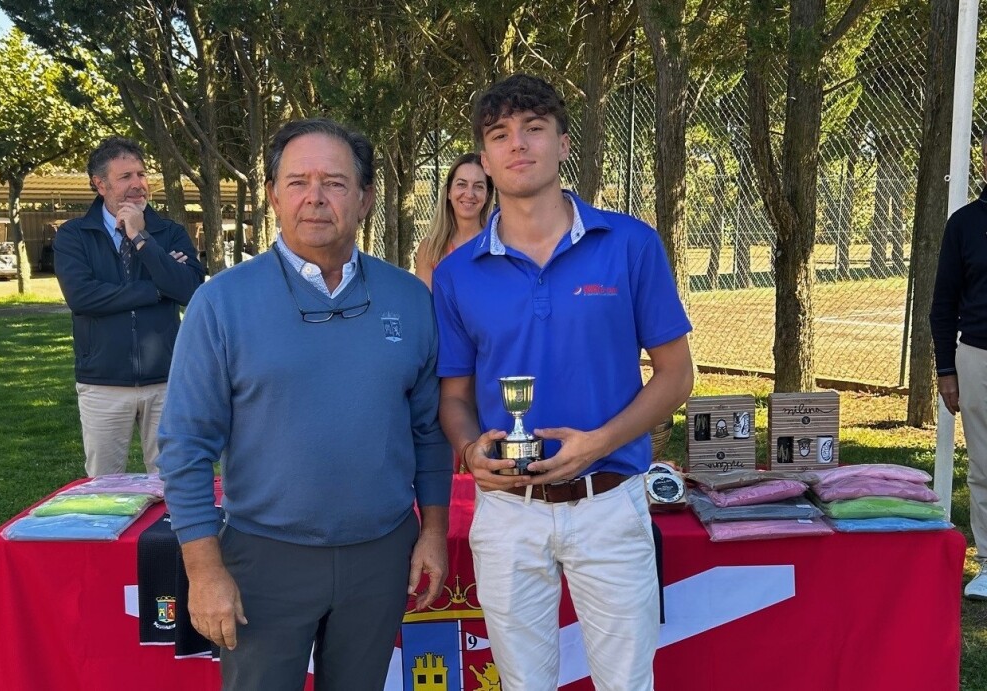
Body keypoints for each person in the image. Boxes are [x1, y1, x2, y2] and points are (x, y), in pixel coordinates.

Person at [156, 118, 452, 690]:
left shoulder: (410, 300)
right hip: (265, 559)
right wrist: (203, 567)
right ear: (273, 195)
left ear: (365, 198)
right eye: (298, 181)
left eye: (335, 183)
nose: (315, 197)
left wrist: (433, 532)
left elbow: (429, 433)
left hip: (380, 555)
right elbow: (186, 445)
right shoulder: (220, 303)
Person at [433, 74, 694, 690]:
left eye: (533, 129)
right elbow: (454, 398)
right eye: (499, 135)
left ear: (564, 144)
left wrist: (598, 442)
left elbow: (677, 375)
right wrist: (471, 451)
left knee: (626, 683)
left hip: (609, 502)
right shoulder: (455, 275)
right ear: (486, 159)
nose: (517, 144)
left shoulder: (629, 244)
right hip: (507, 510)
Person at [54, 136, 204, 477]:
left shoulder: (168, 232)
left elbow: (191, 290)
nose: (138, 184)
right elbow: (83, 297)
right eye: (126, 177)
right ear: (100, 184)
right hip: (103, 384)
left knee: (175, 482)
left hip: (167, 382)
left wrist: (141, 239)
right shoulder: (74, 235)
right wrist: (158, 288)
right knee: (104, 489)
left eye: (141, 174)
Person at [931, 130, 987, 601]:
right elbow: (943, 304)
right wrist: (946, 368)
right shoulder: (964, 224)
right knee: (984, 467)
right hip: (977, 359)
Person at [414, 153, 494, 289]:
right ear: (449, 192)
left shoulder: (497, 247)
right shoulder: (431, 249)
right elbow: (422, 307)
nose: (469, 194)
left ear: (487, 195)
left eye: (478, 186)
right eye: (462, 184)